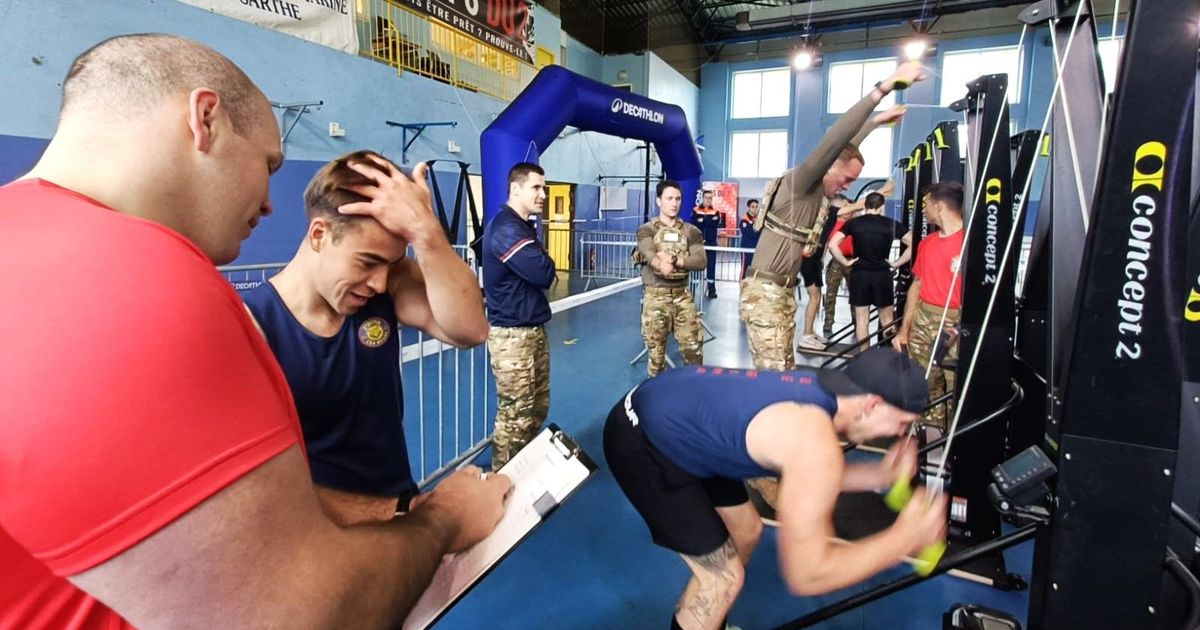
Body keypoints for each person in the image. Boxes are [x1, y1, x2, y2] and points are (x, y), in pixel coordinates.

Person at [0, 34, 510, 629]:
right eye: (268, 163)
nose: (271, 204)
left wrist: (427, 234)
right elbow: (304, 611)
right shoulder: (145, 283)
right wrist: (441, 518)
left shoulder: (27, 243)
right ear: (205, 118)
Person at [604, 348, 947, 630]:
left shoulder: (824, 392)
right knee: (722, 580)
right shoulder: (811, 438)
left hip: (681, 417)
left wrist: (878, 475)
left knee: (748, 530)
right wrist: (904, 538)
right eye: (902, 423)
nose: (901, 434)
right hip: (643, 440)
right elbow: (807, 574)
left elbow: (809, 475)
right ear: (871, 404)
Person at [244, 150, 489, 526]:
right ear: (320, 235)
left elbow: (470, 329)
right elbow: (260, 488)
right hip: (322, 535)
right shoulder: (254, 325)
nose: (377, 282)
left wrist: (425, 232)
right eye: (367, 261)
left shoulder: (386, 287)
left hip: (400, 507)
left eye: (389, 264)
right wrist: (399, 513)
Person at [740, 61, 924, 372]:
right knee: (773, 377)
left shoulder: (817, 194)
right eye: (848, 179)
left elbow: (846, 149)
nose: (848, 186)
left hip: (784, 291)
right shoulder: (801, 183)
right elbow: (837, 141)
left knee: (785, 371)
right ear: (830, 166)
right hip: (765, 294)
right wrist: (882, 90)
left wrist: (877, 122)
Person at [483, 162, 557, 470]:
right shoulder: (506, 229)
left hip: (531, 332)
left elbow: (542, 269)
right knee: (515, 418)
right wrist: (544, 261)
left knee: (535, 409)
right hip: (512, 338)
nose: (542, 194)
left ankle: (524, 473)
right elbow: (543, 273)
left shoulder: (522, 226)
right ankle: (502, 480)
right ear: (515, 189)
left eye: (544, 188)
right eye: (536, 188)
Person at [893, 181, 965, 432]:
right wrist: (905, 330)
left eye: (926, 205)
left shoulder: (971, 244)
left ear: (939, 205)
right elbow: (917, 285)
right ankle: (932, 444)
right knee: (927, 384)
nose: (923, 210)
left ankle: (954, 445)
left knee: (955, 387)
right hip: (924, 320)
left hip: (955, 325)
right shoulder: (927, 243)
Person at [635, 180, 708, 377]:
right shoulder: (647, 229)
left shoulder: (691, 231)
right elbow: (648, 251)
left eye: (677, 199)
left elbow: (700, 261)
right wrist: (659, 264)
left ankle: (693, 398)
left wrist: (676, 260)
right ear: (659, 201)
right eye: (669, 198)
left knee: (693, 352)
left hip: (682, 297)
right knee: (656, 358)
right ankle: (656, 401)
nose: (674, 203)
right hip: (655, 297)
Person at [830, 191, 906, 351]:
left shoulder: (854, 223)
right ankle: (888, 357)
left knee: (862, 319)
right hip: (882, 275)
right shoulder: (891, 224)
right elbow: (914, 243)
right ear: (882, 207)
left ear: (865, 205)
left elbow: (832, 244)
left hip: (860, 274)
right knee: (887, 320)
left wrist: (845, 261)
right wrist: (896, 263)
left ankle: (864, 358)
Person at [691, 189, 726, 299]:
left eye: (710, 198)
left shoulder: (716, 212)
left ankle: (712, 291)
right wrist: (707, 222)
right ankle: (691, 291)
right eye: (706, 198)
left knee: (711, 268)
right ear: (702, 198)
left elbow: (714, 224)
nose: (708, 200)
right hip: (698, 244)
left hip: (711, 243)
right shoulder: (695, 210)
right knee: (696, 267)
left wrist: (703, 221)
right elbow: (694, 223)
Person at [739, 198, 761, 277]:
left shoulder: (758, 219)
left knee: (754, 269)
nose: (755, 208)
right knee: (745, 269)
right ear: (748, 207)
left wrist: (757, 231)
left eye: (756, 206)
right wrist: (758, 231)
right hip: (746, 249)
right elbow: (751, 234)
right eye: (752, 206)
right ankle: (742, 286)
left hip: (756, 248)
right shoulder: (744, 220)